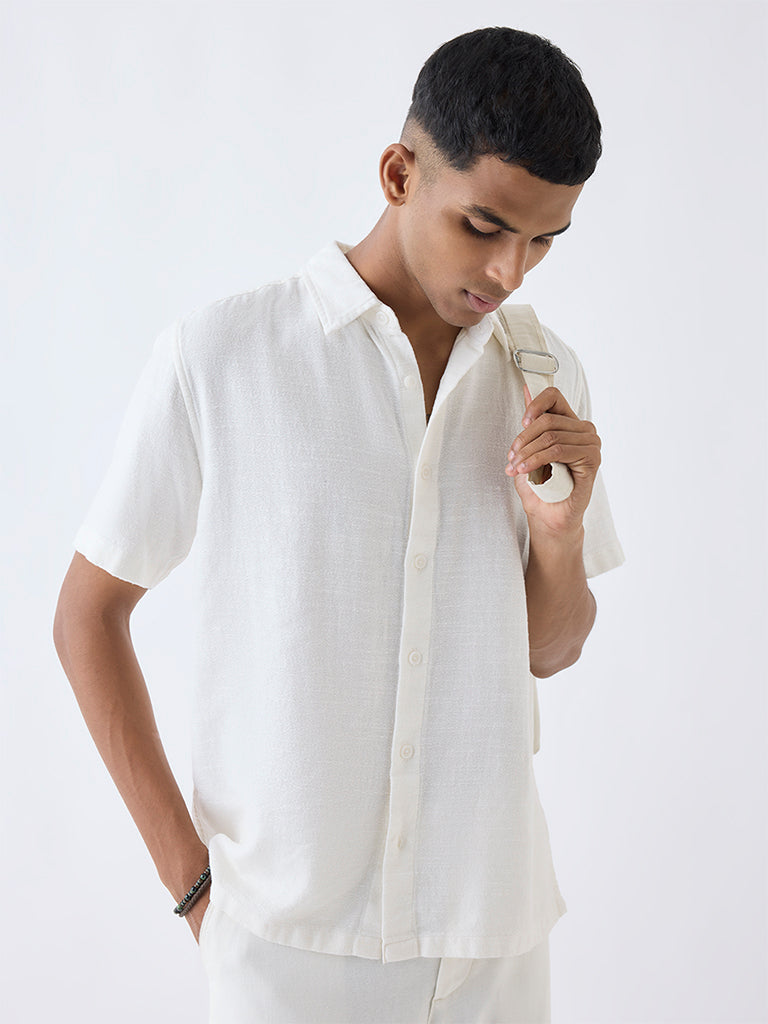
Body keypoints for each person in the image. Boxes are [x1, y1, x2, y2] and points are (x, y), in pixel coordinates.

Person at [53, 25, 624, 1024]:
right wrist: (193, 887)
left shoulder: (546, 377)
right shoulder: (226, 354)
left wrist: (559, 534)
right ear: (399, 174)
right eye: (485, 225)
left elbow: (550, 650)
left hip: (494, 936)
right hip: (289, 950)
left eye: (543, 241)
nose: (511, 272)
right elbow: (87, 615)